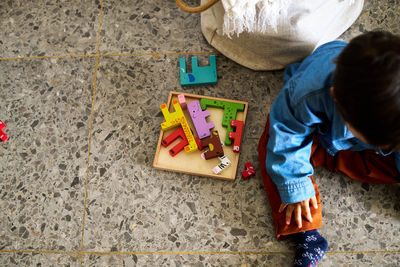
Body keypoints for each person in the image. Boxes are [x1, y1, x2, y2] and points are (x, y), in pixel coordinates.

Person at [258, 31, 400, 267]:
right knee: (273, 149)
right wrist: (295, 185)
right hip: (316, 138)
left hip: (364, 150)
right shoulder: (309, 91)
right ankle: (306, 234)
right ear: (337, 98)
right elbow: (287, 131)